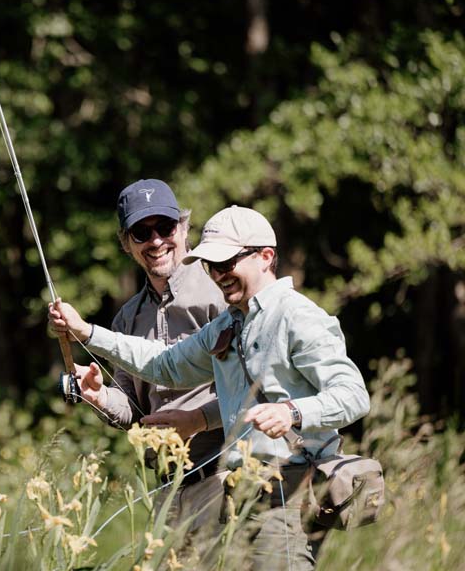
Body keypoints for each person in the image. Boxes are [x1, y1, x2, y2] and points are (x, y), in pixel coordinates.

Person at [49, 205, 370, 570]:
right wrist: (87, 332)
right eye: (211, 266)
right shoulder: (229, 323)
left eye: (228, 262)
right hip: (245, 493)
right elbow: (164, 365)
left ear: (266, 257)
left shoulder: (298, 315)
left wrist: (292, 413)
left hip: (290, 491)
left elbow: (354, 395)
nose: (219, 275)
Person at [70, 178, 229, 534]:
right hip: (166, 492)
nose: (156, 240)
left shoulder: (221, 294)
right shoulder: (126, 318)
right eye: (141, 233)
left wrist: (198, 420)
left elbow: (254, 391)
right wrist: (97, 396)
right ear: (126, 244)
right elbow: (132, 411)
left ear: (184, 228)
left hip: (225, 480)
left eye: (165, 227)